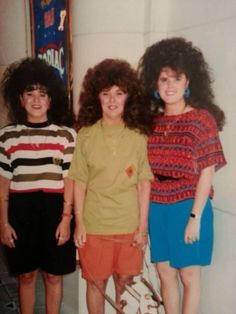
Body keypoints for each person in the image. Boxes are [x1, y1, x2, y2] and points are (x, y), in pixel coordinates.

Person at [138, 37, 227, 314]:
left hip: (189, 205)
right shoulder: (151, 122)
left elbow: (207, 171)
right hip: (157, 206)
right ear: (155, 84)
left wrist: (194, 217)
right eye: (163, 79)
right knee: (166, 275)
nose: (170, 85)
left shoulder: (201, 119)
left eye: (176, 78)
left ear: (188, 82)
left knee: (189, 277)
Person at [68, 59, 153, 314]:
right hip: (94, 226)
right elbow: (79, 181)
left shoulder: (139, 136)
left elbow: (143, 184)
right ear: (97, 97)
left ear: (129, 97)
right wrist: (79, 223)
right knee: (95, 285)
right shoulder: (85, 135)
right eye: (106, 94)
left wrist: (142, 228)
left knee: (126, 286)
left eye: (119, 93)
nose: (112, 100)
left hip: (128, 227)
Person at [0, 57, 76, 314]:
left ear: (51, 99)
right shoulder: (7, 136)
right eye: (29, 93)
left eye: (42, 94)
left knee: (54, 276)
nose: (36, 100)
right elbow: (3, 186)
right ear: (20, 98)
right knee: (26, 276)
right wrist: (3, 223)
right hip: (20, 213)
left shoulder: (66, 135)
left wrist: (67, 219)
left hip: (55, 211)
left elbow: (70, 182)